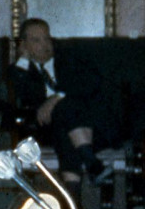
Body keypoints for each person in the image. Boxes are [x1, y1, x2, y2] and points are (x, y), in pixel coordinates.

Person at [9, 18, 114, 183]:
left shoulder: (69, 59)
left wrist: (56, 98)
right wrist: (23, 59)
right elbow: (20, 97)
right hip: (45, 128)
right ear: (24, 45)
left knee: (64, 115)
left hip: (84, 124)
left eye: (47, 38)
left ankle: (76, 195)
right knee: (63, 115)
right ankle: (91, 162)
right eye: (36, 40)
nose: (45, 45)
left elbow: (92, 83)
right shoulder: (22, 70)